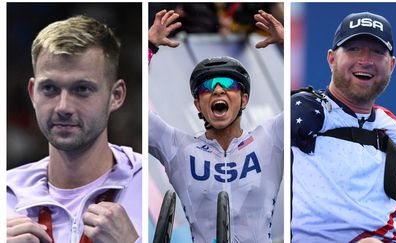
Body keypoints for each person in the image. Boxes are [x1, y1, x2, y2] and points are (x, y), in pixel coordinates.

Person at [148, 9, 284, 242]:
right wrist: (149, 47)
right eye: (207, 87)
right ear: (197, 104)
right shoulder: (178, 147)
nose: (218, 89)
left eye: (229, 84)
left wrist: (285, 41)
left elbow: (301, 99)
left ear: (245, 99)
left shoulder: (270, 138)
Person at [7, 15, 142, 242]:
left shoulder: (151, 185)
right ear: (32, 93)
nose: (63, 107)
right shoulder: (6, 194)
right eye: (49, 88)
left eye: (82, 89)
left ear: (116, 96)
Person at [291, 12, 396, 242]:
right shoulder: (305, 113)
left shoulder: (392, 128)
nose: (366, 60)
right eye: (354, 49)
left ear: (392, 65)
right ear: (331, 59)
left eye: (378, 52)